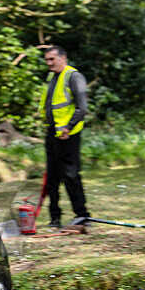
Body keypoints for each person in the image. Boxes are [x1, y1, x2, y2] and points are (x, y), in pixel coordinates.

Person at [39, 45, 90, 228]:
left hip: (68, 136)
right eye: (47, 60)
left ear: (63, 57)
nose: (49, 63)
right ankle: (55, 218)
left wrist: (68, 128)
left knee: (70, 176)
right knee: (52, 178)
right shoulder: (52, 77)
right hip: (52, 135)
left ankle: (82, 215)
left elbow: (82, 108)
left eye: (52, 59)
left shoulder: (74, 76)